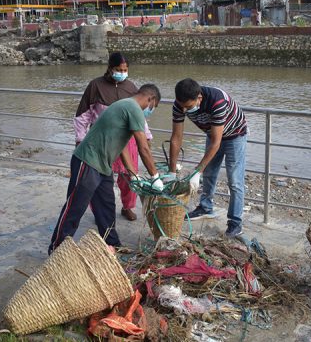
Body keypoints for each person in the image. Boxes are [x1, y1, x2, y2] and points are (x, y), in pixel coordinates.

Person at [49, 85, 163, 254]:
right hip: (87, 160)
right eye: (153, 107)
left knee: (106, 206)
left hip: (103, 164)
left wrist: (134, 174)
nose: (150, 110)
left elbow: (122, 146)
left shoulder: (124, 106)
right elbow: (143, 148)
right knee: (75, 207)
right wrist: (155, 176)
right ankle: (56, 249)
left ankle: (112, 244)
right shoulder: (134, 108)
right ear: (150, 99)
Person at [74, 52, 154, 222]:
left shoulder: (131, 87)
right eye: (118, 69)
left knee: (129, 176)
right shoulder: (95, 86)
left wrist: (146, 135)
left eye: (125, 69)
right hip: (103, 140)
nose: (122, 72)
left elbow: (138, 116)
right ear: (110, 68)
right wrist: (80, 139)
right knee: (101, 177)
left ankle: (127, 207)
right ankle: (100, 210)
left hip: (127, 139)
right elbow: (83, 115)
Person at [167, 78, 248, 238]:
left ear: (199, 98)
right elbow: (176, 138)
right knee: (209, 173)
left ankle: (235, 223)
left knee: (235, 180)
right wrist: (172, 172)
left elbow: (216, 143)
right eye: (182, 106)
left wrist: (196, 172)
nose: (184, 110)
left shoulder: (217, 101)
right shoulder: (179, 104)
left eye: (188, 107)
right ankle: (205, 207)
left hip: (235, 135)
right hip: (213, 133)